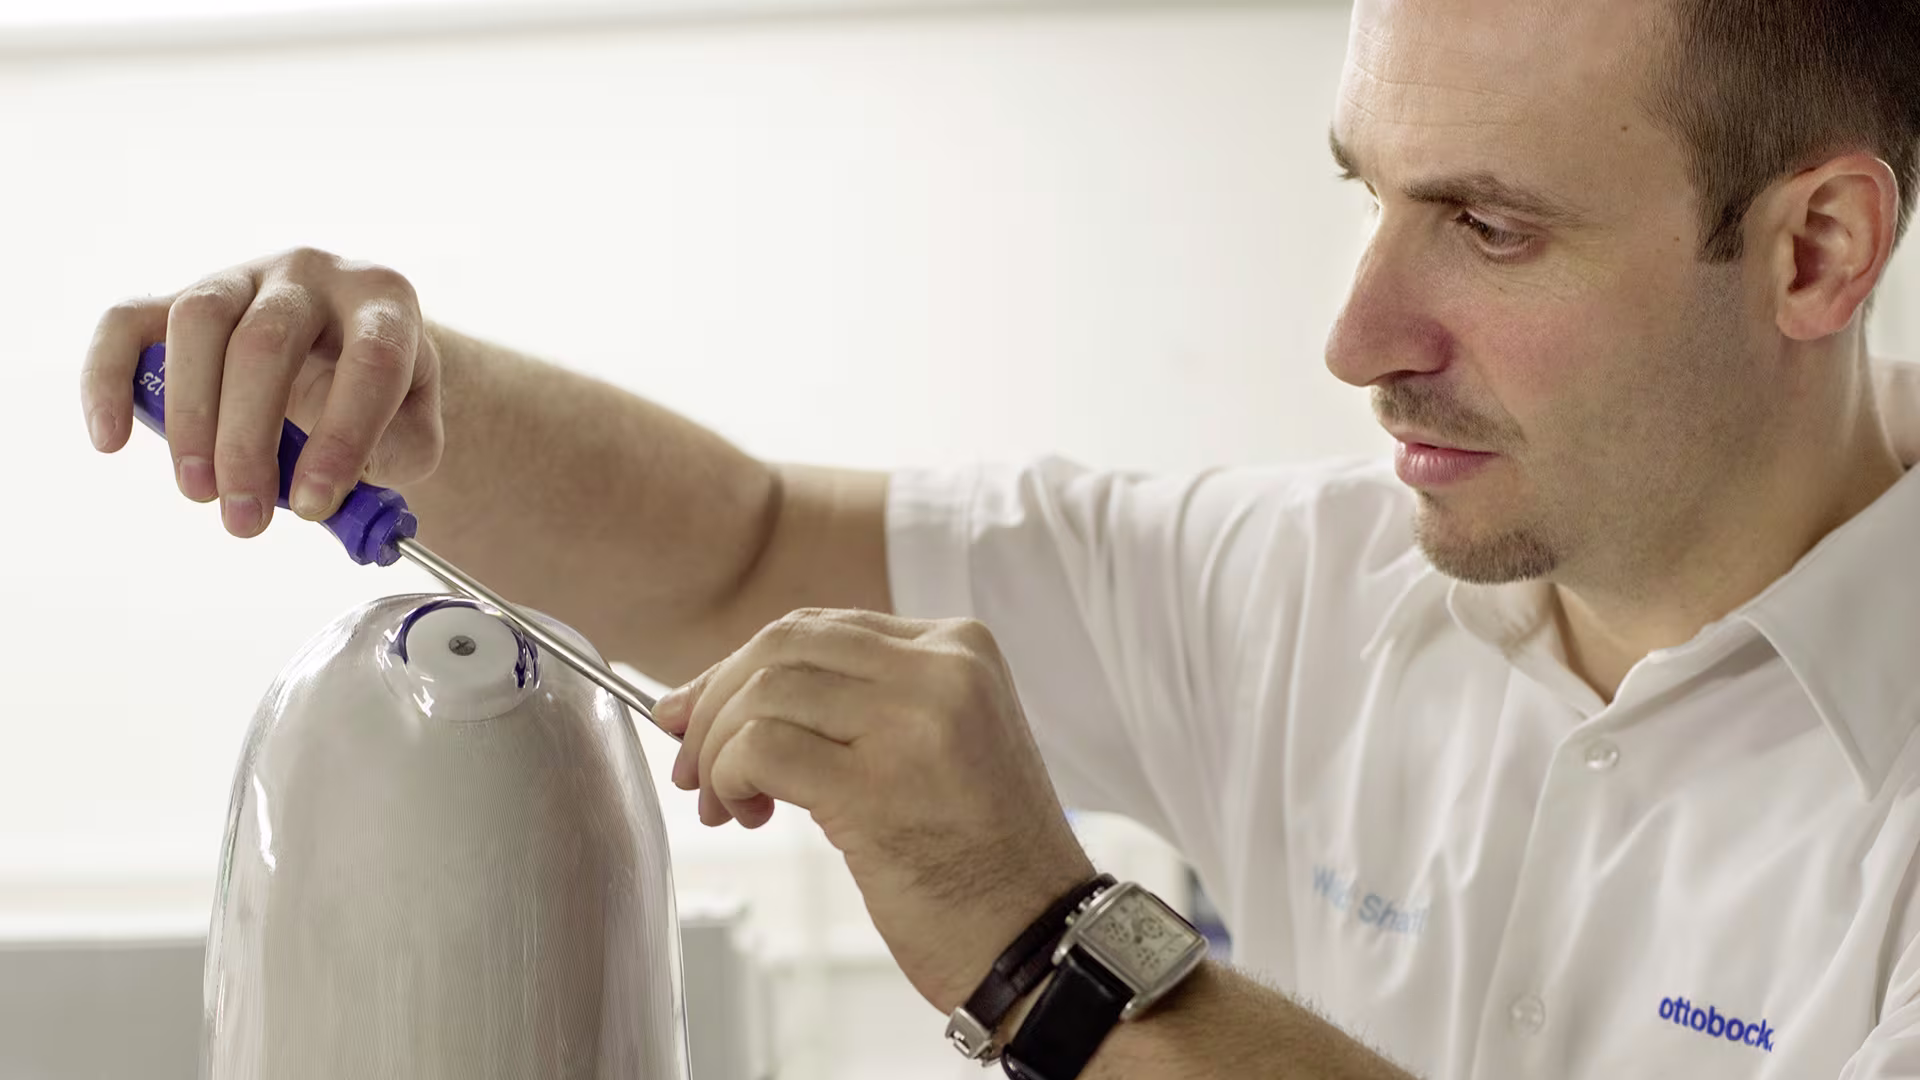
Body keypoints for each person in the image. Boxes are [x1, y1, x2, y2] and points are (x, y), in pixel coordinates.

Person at [76, 0, 1920, 1075]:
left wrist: (1051, 948)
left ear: (1816, 252)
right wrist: (418, 406)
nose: (1356, 337)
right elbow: (738, 553)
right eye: (1369, 196)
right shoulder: (1296, 592)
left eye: (1491, 228)